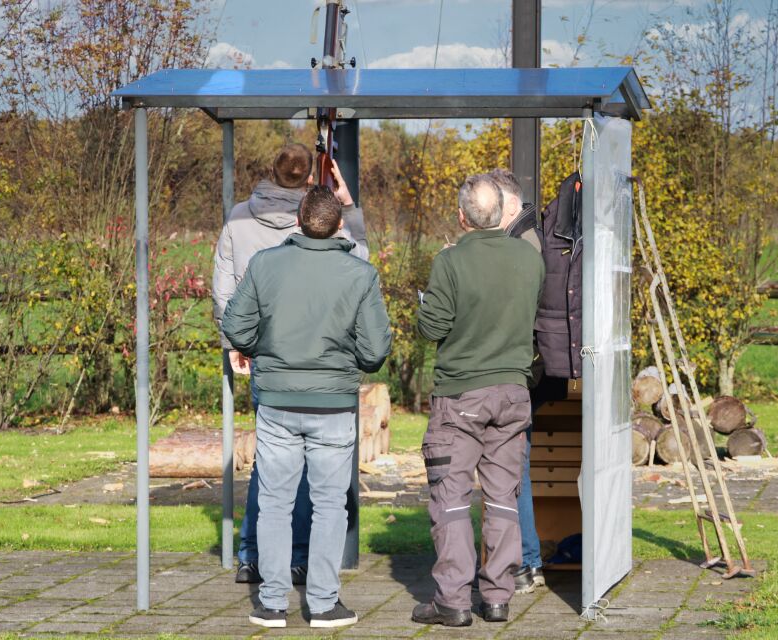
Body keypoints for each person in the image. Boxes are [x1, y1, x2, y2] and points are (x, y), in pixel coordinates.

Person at [222, 185, 392, 630]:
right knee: (329, 505)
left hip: (277, 401)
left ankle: (273, 603)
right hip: (333, 405)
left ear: (298, 221)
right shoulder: (360, 274)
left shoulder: (265, 265)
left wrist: (271, 348)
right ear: (339, 226)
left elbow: (236, 328)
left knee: (275, 503)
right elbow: (375, 351)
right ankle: (322, 604)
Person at [211, 143, 367, 585]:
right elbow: (360, 263)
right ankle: (298, 556)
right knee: (310, 471)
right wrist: (347, 205)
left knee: (271, 462)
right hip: (318, 360)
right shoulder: (326, 220)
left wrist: (235, 343)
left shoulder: (240, 218)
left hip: (266, 357)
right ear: (310, 179)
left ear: (271, 172)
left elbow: (223, 288)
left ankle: (251, 554)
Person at [411, 175, 544, 627]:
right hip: (513, 393)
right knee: (503, 496)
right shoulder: (529, 258)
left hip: (461, 395)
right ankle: (498, 597)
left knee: (450, 497)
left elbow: (432, 328)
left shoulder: (450, 261)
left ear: (463, 215)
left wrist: (424, 304)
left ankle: (452, 600)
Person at [484, 168, 547, 595]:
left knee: (510, 470)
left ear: (508, 204)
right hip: (524, 368)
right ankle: (523, 560)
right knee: (510, 467)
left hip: (515, 370)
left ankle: (523, 562)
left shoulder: (522, 244)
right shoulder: (527, 238)